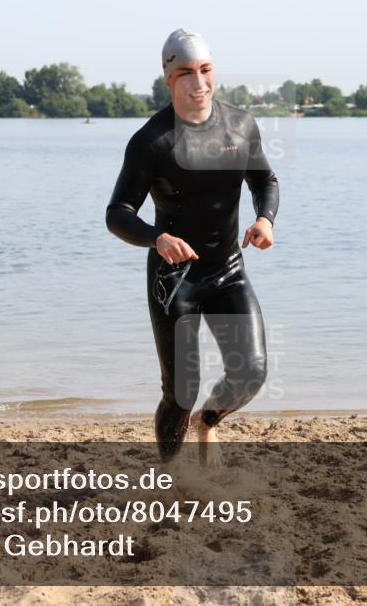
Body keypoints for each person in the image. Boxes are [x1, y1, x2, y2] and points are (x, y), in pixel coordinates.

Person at [106, 29, 279, 465]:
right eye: (186, 73)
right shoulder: (152, 141)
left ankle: (209, 423)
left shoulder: (240, 125)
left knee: (251, 372)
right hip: (174, 279)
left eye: (205, 70)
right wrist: (156, 237)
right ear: (169, 80)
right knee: (180, 393)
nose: (198, 82)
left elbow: (264, 180)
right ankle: (169, 472)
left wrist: (264, 218)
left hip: (228, 271)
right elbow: (118, 212)